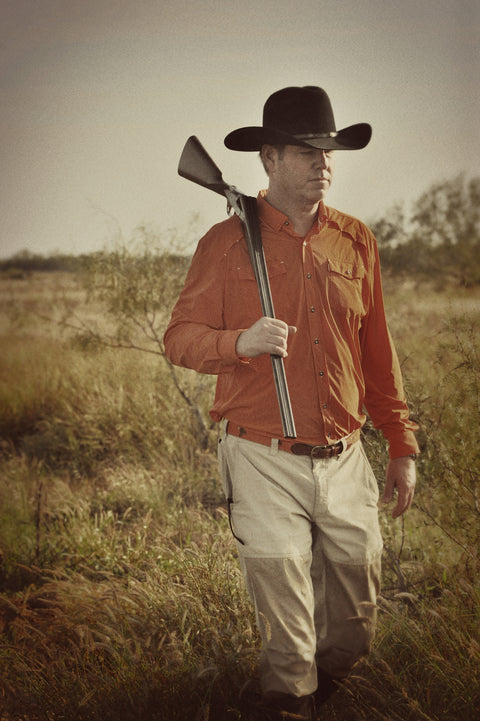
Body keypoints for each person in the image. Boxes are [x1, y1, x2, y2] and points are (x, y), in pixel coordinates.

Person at [164, 86, 419, 721]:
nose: (323, 163)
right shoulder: (225, 242)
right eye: (308, 151)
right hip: (261, 453)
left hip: (345, 456)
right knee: (287, 622)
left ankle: (313, 688)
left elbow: (377, 352)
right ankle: (287, 701)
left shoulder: (355, 240)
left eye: (329, 151)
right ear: (269, 158)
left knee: (355, 626)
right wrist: (238, 342)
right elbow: (179, 339)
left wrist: (402, 444)